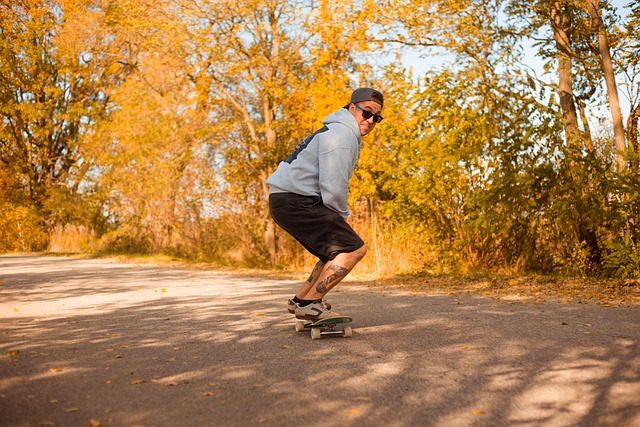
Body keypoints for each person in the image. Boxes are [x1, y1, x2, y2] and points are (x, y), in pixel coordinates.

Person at [266, 87, 384, 321]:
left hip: (284, 199)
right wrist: (342, 214)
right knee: (353, 248)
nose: (370, 121)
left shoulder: (335, 130)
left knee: (333, 252)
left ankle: (300, 300)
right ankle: (310, 304)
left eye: (376, 117)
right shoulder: (342, 135)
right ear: (352, 108)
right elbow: (334, 183)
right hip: (296, 199)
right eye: (366, 113)